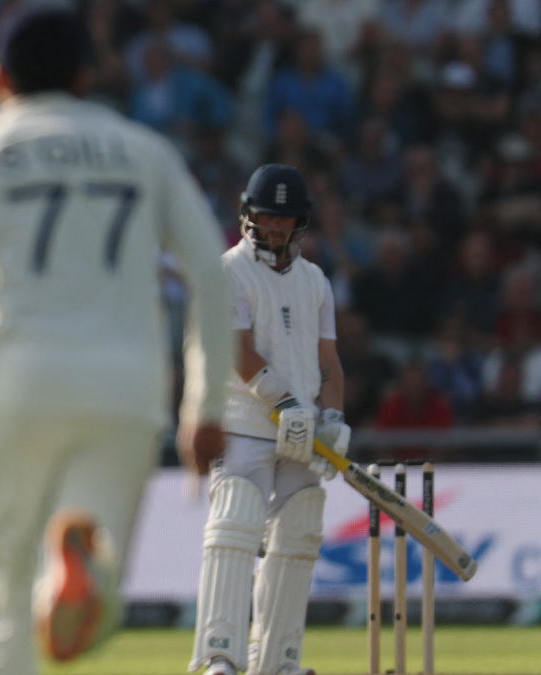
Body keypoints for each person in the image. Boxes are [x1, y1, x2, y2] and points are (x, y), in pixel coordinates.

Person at [0, 8, 235, 675]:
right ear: (86, 75)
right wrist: (207, 406)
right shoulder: (145, 151)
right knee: (97, 573)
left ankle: (54, 589)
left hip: (17, 385)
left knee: (0, 587)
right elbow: (211, 276)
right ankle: (83, 578)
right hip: (126, 390)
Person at [189, 164, 350, 675]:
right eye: (266, 216)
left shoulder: (315, 281)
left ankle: (277, 660)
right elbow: (236, 348)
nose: (275, 227)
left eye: (284, 219)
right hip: (243, 422)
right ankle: (219, 656)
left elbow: (328, 361)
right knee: (235, 525)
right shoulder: (228, 271)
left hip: (301, 432)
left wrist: (331, 416)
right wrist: (285, 403)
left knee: (299, 532)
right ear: (247, 215)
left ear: (300, 222)